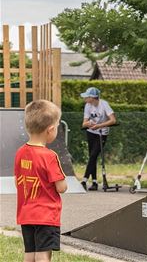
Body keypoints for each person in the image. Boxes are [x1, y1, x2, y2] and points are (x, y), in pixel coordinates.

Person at [14, 100, 68, 262]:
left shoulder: (20, 152)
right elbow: (61, 187)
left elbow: (18, 179)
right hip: (45, 215)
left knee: (30, 253)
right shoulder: (49, 156)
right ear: (50, 130)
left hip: (26, 213)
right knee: (44, 254)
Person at [80, 87, 116, 191]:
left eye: (87, 97)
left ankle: (84, 180)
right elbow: (84, 123)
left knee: (93, 155)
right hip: (91, 132)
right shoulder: (87, 105)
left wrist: (100, 126)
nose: (85, 99)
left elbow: (113, 120)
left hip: (101, 133)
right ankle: (94, 182)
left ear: (92, 97)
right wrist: (89, 123)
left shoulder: (104, 104)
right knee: (92, 157)